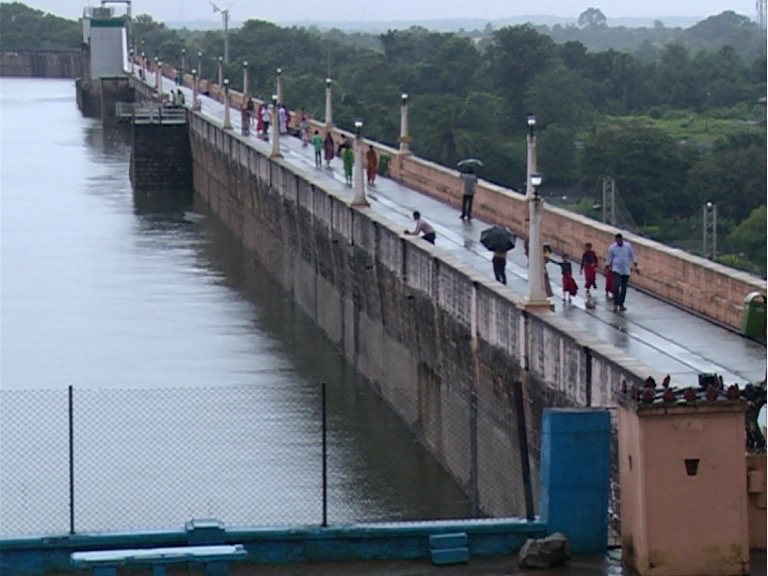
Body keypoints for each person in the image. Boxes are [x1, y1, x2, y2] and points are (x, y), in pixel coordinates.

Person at [606, 233, 639, 312]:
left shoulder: (628, 246)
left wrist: (636, 266)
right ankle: (616, 303)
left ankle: (621, 304)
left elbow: (632, 256)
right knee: (617, 286)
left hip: (626, 270)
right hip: (616, 269)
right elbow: (609, 259)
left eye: (620, 240)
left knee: (624, 288)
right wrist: (606, 268)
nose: (619, 242)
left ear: (622, 239)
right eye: (617, 240)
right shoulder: (612, 248)